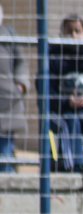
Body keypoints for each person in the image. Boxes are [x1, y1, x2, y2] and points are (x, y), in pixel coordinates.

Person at [48, 15, 83, 173]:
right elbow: (46, 91)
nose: (73, 36)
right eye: (69, 32)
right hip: (56, 111)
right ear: (61, 33)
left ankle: (69, 164)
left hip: (81, 111)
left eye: (77, 31)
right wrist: (67, 101)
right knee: (69, 122)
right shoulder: (53, 55)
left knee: (75, 122)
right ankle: (72, 168)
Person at [0, 3, 29, 173]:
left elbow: (21, 64)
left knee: (4, 149)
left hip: (8, 102)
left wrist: (21, 85)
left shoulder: (8, 35)